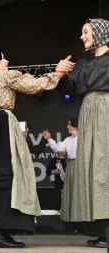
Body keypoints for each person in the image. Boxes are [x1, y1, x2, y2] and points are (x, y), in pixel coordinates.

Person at [0, 49, 73, 248]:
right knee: (9, 177)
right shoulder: (5, 75)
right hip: (2, 127)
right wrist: (58, 73)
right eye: (4, 58)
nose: (8, 60)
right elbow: (35, 85)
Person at [57, 18, 109, 248]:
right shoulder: (85, 62)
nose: (82, 36)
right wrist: (61, 74)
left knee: (105, 166)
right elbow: (68, 91)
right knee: (93, 169)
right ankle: (104, 230)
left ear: (99, 33)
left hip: (107, 111)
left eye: (85, 32)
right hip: (88, 113)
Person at [43, 118, 78, 222]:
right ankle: (73, 219)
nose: (67, 127)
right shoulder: (68, 140)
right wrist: (49, 138)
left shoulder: (84, 138)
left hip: (82, 165)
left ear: (75, 125)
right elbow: (57, 148)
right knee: (71, 193)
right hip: (72, 165)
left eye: (69, 125)